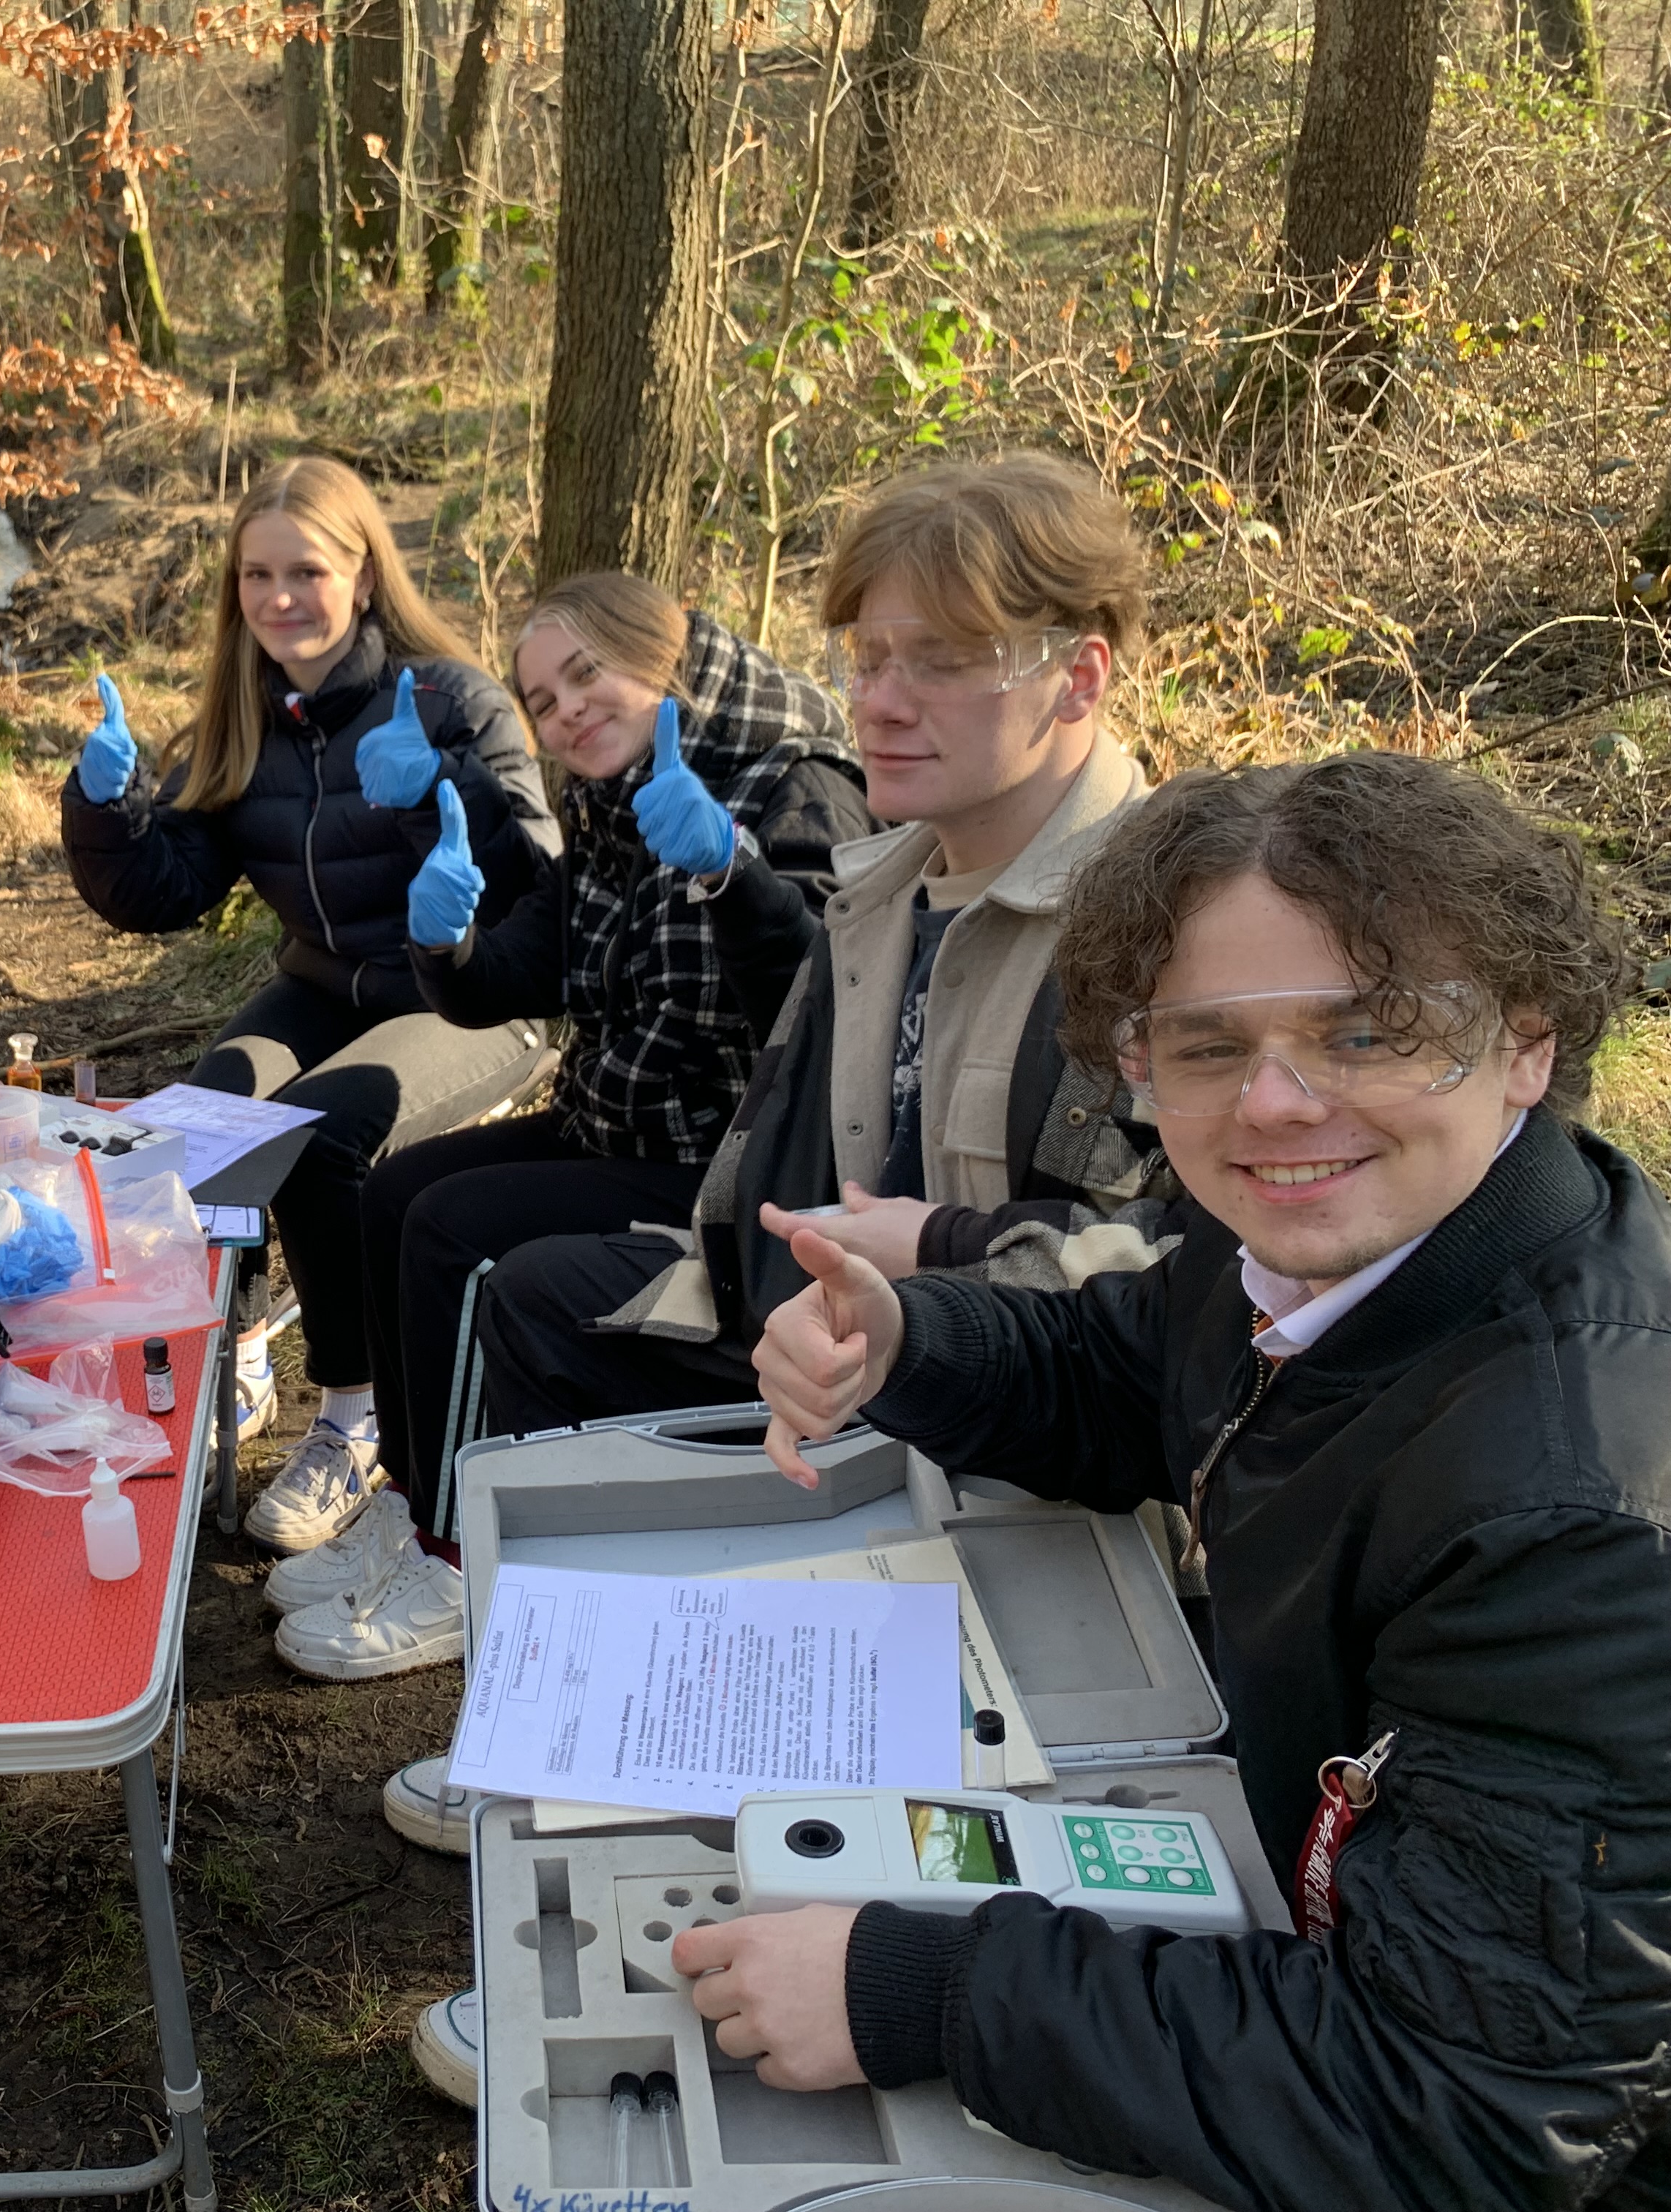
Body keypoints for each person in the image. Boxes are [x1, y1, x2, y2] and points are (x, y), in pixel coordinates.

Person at [692, 748, 1671, 2211]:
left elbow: (1470, 2109)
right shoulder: (1331, 1232)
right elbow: (1141, 1373)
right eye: (1206, 1047)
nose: (1274, 1106)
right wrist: (908, 1337)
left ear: (1527, 1043)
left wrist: (920, 1994)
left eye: (1370, 1032)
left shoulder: (1575, 1524)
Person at [399, 453, 1181, 2102]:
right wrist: (750, 1298)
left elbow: (1172, 1286)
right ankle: (575, 1776)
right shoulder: (894, 879)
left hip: (1052, 1459)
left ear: (1080, 673)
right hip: (852, 1351)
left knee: (533, 1294)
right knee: (547, 1314)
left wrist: (923, 1274)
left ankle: (764, 1894)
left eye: (942, 660)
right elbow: (789, 1151)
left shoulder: (1153, 926)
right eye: (868, 658)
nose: (886, 702)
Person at [256, 574, 869, 1685]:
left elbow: (828, 1010)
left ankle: (458, 1554)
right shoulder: (609, 793)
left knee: (456, 1235)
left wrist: (730, 874)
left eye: (587, 673)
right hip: (621, 1117)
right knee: (398, 1195)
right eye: (542, 698)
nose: (567, 711)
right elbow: (520, 971)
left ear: (664, 651)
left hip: (733, 1164)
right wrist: (446, 942)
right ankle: (412, 1493)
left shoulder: (796, 780)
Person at [61, 455, 560, 1551]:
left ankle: (353, 1414)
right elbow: (168, 891)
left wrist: (444, 796)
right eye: (256, 575)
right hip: (326, 987)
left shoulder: (453, 699)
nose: (280, 598)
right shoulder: (247, 714)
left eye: (307, 572)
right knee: (204, 1124)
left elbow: (540, 887)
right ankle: (234, 1357)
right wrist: (108, 809)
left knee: (326, 1139)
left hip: (471, 994)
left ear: (366, 578)